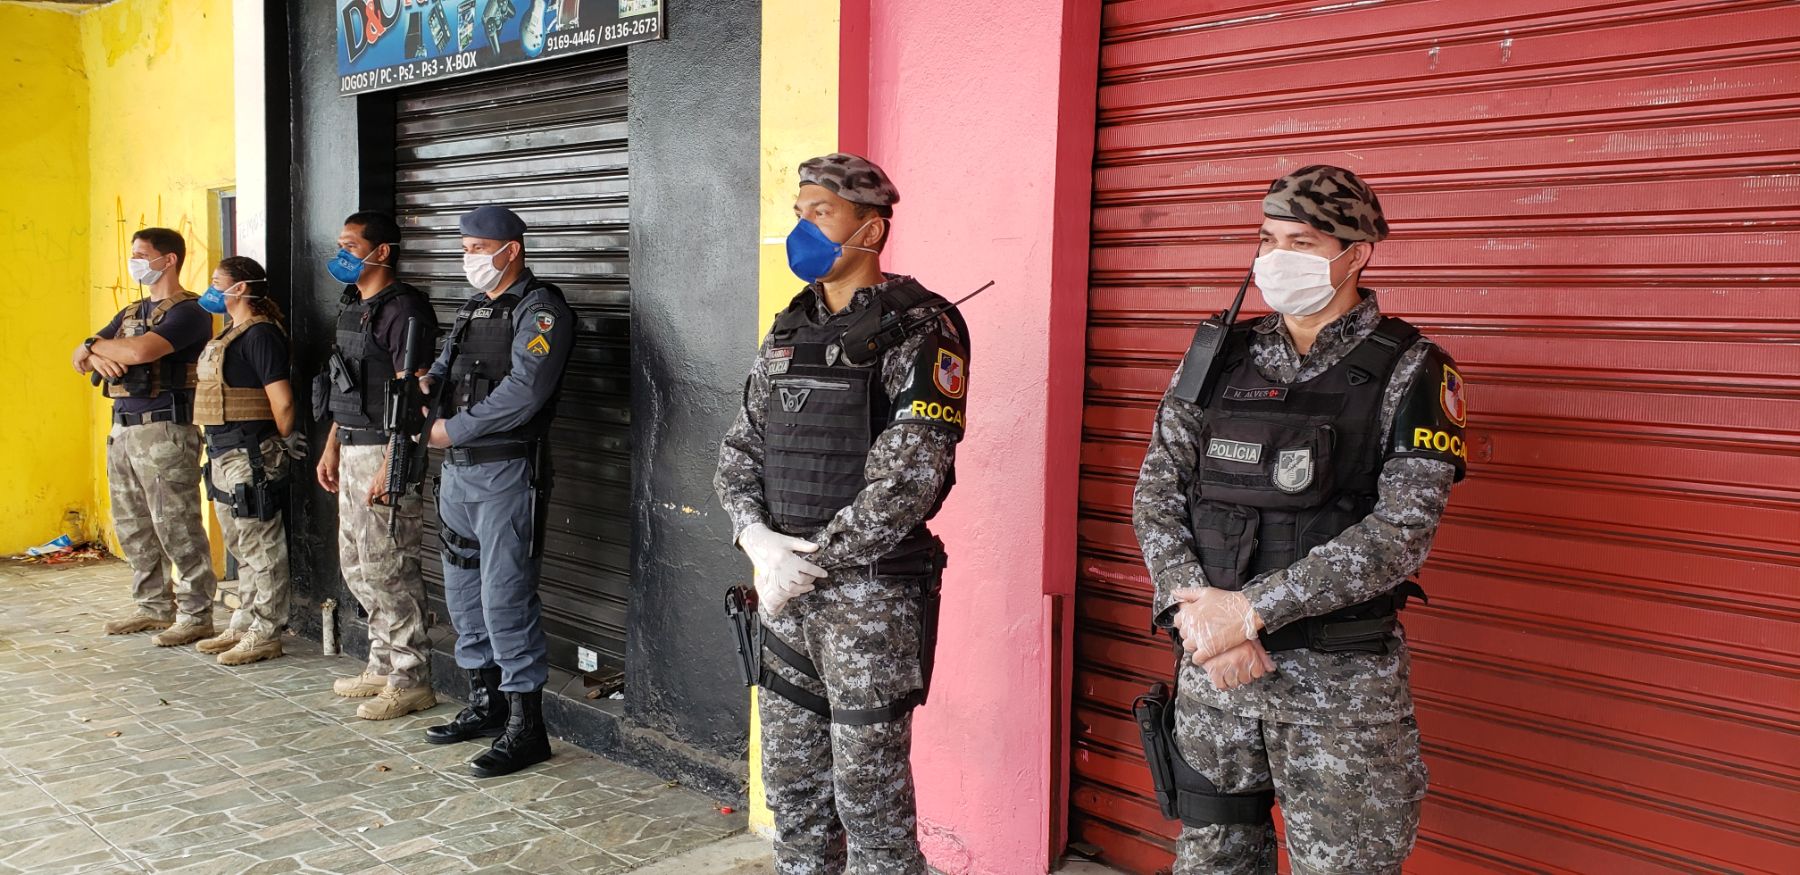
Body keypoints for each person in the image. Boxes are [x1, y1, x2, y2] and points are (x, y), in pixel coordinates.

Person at [1132, 165, 1469, 874]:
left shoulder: (1413, 370)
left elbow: (1400, 533)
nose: (1276, 258)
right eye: (1267, 239)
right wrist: (1198, 616)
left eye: (1302, 242)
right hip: (1215, 679)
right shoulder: (1217, 356)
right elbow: (1158, 490)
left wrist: (1249, 612)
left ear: (1357, 253)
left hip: (1338, 695)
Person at [714, 153, 971, 874]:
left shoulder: (922, 328)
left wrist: (806, 561)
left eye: (820, 213)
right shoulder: (789, 328)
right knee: (794, 792)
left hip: (869, 602)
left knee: (871, 804)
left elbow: (907, 482)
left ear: (871, 229)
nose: (802, 227)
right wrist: (757, 540)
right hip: (783, 596)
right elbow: (739, 449)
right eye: (799, 212)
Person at [418, 205, 574, 778]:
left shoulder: (541, 309)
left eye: (478, 249)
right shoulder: (473, 307)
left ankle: (527, 728)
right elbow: (443, 367)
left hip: (506, 472)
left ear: (511, 250)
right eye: (465, 248)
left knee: (505, 598)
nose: (469, 258)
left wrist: (453, 428)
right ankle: (486, 704)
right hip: (457, 474)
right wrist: (425, 384)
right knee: (463, 595)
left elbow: (526, 391)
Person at [314, 211, 441, 720]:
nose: (341, 253)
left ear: (381, 251)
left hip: (385, 451)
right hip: (352, 445)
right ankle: (383, 663)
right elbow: (345, 384)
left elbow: (414, 397)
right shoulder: (355, 306)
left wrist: (392, 463)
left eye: (350, 245)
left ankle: (411, 679)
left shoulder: (405, 310)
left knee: (390, 567)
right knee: (357, 565)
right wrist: (332, 444)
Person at [75, 228, 220, 645]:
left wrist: (98, 348)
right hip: (123, 429)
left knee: (176, 524)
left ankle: (196, 614)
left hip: (165, 430)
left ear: (168, 259)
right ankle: (153, 607)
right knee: (133, 525)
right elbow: (78, 357)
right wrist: (94, 348)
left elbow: (141, 352)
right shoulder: (131, 312)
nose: (134, 261)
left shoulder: (190, 311)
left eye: (142, 254)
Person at [183, 257, 305, 665]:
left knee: (261, 545)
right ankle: (245, 621)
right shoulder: (229, 334)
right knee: (240, 544)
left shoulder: (261, 335)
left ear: (240, 288)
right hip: (222, 450)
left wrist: (281, 441)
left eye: (218, 281)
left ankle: (266, 632)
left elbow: (282, 401)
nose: (211, 287)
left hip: (250, 453)